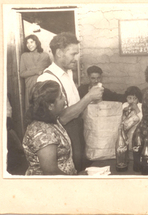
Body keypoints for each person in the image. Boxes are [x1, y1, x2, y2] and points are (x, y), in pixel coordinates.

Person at [37, 32, 103, 172]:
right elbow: (61, 118)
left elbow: (75, 105)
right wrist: (89, 97)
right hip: (64, 133)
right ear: (60, 53)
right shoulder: (47, 79)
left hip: (77, 130)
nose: (76, 58)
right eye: (73, 54)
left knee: (81, 168)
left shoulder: (67, 73)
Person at [22, 81, 77, 175]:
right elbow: (51, 172)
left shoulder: (52, 121)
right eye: (60, 97)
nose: (64, 99)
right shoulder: (43, 132)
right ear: (50, 106)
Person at [20, 34, 51, 111]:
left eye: (31, 42)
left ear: (36, 43)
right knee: (31, 109)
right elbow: (22, 73)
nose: (29, 45)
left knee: (44, 108)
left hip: (43, 86)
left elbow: (50, 71)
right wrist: (36, 71)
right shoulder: (24, 56)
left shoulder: (45, 56)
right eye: (27, 43)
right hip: (30, 87)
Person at [122, 86, 143, 152]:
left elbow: (142, 118)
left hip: (137, 127)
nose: (132, 100)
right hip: (126, 127)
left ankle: (131, 150)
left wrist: (136, 108)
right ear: (126, 98)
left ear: (138, 99)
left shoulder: (140, 105)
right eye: (129, 98)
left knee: (133, 137)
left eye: (135, 98)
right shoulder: (124, 105)